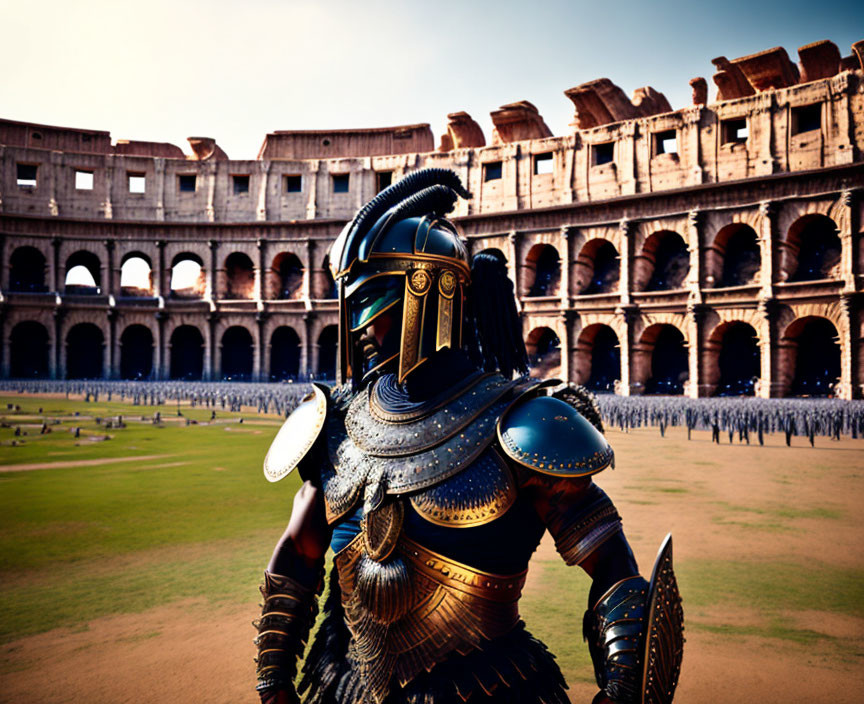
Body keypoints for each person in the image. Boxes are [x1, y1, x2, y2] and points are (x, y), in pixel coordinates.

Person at [254, 169, 683, 704]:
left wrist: (623, 685)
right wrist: (273, 680)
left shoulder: (524, 423)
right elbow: (298, 551)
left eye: (372, 299)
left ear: (429, 290)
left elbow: (613, 565)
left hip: (486, 687)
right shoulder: (337, 420)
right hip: (342, 683)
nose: (359, 325)